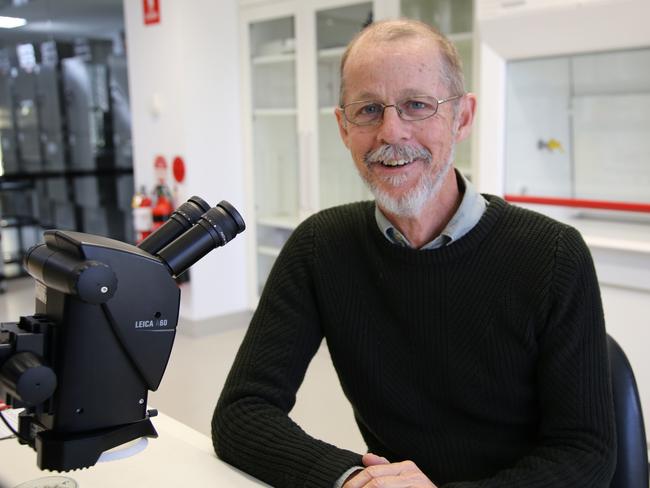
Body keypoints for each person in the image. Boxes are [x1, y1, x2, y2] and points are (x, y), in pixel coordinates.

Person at [212, 18, 616, 488]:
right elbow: (241, 413)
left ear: (462, 118)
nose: (391, 132)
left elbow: (585, 453)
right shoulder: (320, 247)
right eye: (368, 110)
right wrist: (348, 479)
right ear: (343, 128)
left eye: (417, 105)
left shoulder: (553, 255)